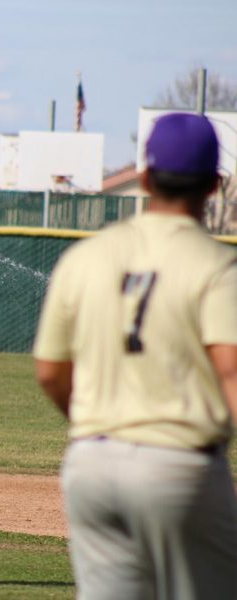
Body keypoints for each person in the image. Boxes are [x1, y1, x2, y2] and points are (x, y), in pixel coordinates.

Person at [33, 112, 237, 600]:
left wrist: (93, 423)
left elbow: (49, 371)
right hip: (180, 468)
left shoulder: (85, 257)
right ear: (214, 185)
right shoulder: (218, 267)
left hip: (93, 465)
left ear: (144, 177)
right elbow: (230, 372)